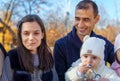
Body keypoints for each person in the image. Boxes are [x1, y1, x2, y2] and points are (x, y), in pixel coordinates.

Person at [53, 0, 114, 81]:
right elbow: (59, 78)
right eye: (77, 19)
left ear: (96, 19)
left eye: (86, 20)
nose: (80, 25)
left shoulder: (104, 43)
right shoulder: (60, 45)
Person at [0, 15, 58, 81]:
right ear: (20, 35)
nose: (31, 38)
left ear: (42, 34)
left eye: (36, 33)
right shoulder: (12, 58)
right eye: (26, 33)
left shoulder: (48, 57)